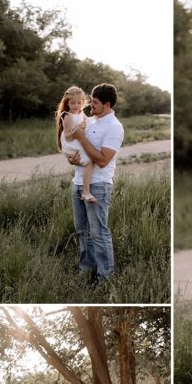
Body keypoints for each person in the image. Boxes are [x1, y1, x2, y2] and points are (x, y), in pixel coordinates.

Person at [65, 83, 124, 284]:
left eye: (96, 103)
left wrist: (81, 137)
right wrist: (71, 158)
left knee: (99, 233)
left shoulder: (114, 127)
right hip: (78, 182)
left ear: (107, 104)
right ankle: (86, 271)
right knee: (82, 231)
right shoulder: (88, 121)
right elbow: (75, 146)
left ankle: (105, 279)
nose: (91, 106)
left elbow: (102, 159)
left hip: (98, 185)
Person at [56, 86, 97, 203]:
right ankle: (86, 191)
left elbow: (88, 122)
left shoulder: (81, 113)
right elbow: (68, 136)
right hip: (71, 144)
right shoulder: (68, 116)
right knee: (90, 162)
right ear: (67, 103)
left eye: (79, 103)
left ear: (83, 103)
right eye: (73, 103)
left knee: (90, 159)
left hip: (77, 142)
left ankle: (85, 190)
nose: (76, 106)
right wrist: (78, 129)